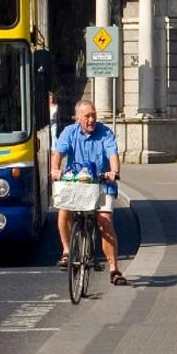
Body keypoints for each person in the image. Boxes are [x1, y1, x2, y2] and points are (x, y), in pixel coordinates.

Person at [51, 98, 125, 286]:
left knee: (104, 222)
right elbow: (58, 153)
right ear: (77, 118)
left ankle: (114, 269)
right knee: (63, 211)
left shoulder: (105, 133)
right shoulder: (69, 132)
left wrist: (113, 172)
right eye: (87, 116)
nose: (92, 120)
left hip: (101, 183)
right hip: (77, 183)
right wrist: (55, 169)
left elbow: (112, 154)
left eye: (94, 115)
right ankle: (67, 251)